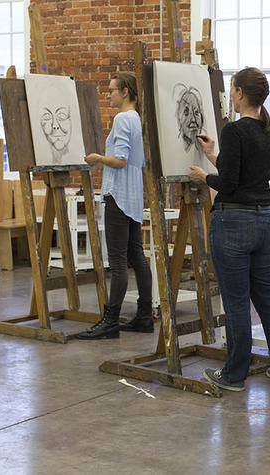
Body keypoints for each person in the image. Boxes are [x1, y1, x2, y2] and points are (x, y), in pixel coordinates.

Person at [188, 67, 270, 391]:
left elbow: (230, 182)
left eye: (233, 90)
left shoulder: (233, 130)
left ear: (239, 93)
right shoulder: (269, 132)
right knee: (267, 297)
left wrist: (204, 176)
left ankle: (233, 375)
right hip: (265, 219)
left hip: (234, 222)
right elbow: (246, 175)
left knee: (236, 302)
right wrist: (212, 155)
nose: (231, 94)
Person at [77, 72, 153, 340]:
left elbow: (120, 160)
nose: (109, 94)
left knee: (119, 261)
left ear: (126, 92)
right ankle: (145, 316)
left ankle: (110, 321)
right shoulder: (136, 119)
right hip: (132, 195)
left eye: (112, 90)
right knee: (136, 255)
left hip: (119, 194)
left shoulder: (122, 118)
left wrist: (98, 158)